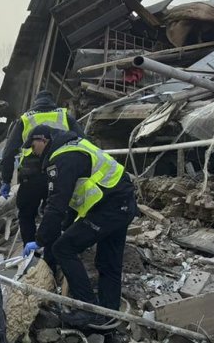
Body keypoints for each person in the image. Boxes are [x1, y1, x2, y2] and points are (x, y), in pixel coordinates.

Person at [22, 124, 137, 327]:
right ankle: (107, 315)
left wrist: (39, 240)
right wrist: (66, 226)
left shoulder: (62, 159)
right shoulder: (74, 147)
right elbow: (75, 198)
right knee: (108, 262)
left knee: (62, 248)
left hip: (110, 208)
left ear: (43, 140)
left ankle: (88, 309)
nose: (33, 151)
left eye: (33, 145)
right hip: (122, 203)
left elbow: (56, 205)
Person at [0, 90, 84, 248]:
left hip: (31, 177)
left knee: (26, 214)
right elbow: (83, 141)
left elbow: (9, 152)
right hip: (60, 172)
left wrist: (5, 179)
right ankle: (54, 248)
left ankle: (30, 250)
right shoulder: (64, 115)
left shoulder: (25, 119)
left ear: (35, 102)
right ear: (52, 101)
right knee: (55, 212)